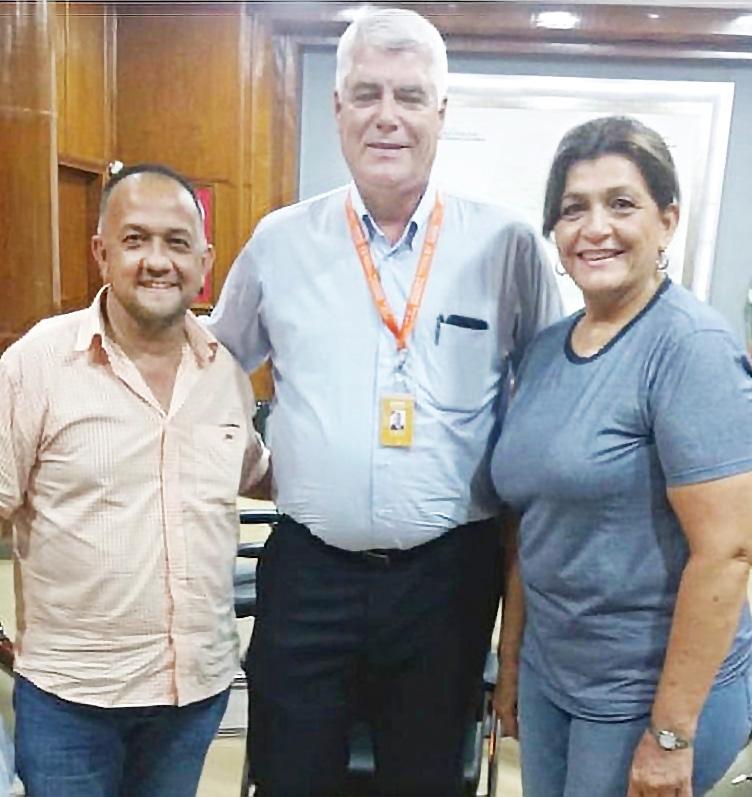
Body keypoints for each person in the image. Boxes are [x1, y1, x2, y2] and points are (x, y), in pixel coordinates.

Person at [207, 7, 561, 796]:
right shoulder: (279, 242)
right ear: (338, 109)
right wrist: (252, 460)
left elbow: (555, 395)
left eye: (410, 95)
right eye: (366, 93)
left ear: (442, 111)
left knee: (424, 779)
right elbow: (214, 365)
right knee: (290, 776)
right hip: (309, 572)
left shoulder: (507, 245)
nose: (387, 115)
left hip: (447, 578)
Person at [491, 116, 752, 797]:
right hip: (554, 673)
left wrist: (671, 735)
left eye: (622, 203)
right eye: (573, 208)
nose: (595, 227)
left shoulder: (690, 349)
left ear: (667, 221)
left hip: (645, 693)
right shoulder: (545, 350)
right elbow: (531, 521)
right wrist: (512, 662)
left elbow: (727, 553)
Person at [0, 163, 270, 797]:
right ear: (102, 253)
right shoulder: (38, 364)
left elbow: (256, 472)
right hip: (71, 702)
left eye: (176, 243)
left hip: (192, 696)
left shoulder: (223, 373)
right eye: (134, 240)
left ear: (204, 262)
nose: (157, 261)